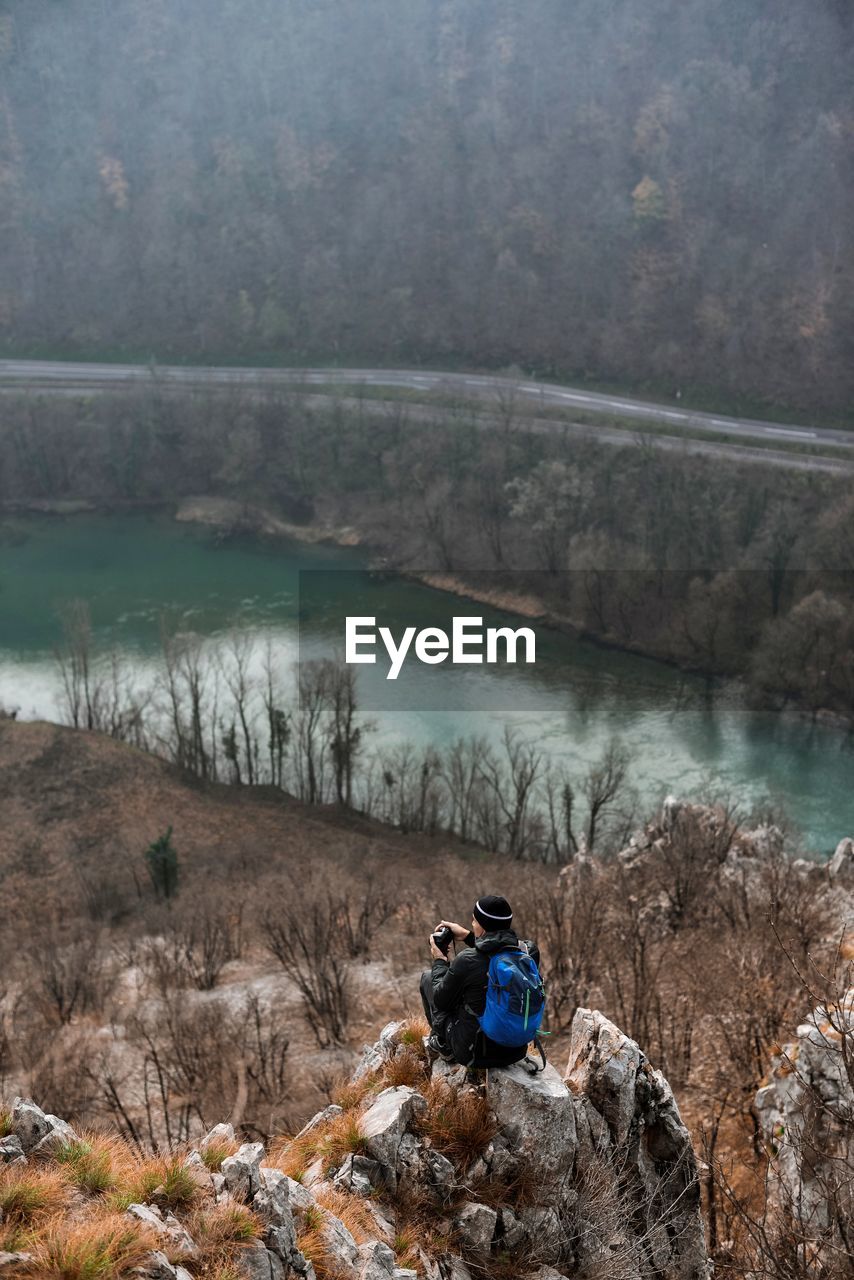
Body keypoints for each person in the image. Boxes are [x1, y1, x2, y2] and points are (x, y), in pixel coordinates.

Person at [419, 894, 540, 1068]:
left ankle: (444, 1045)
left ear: (482, 927)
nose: (472, 924)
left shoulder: (468, 960)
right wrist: (469, 936)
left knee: (428, 978)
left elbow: (440, 1001)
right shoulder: (529, 952)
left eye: (474, 921)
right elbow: (499, 949)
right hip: (516, 1050)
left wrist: (439, 960)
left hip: (475, 1054)